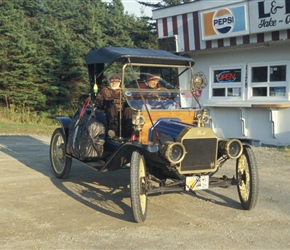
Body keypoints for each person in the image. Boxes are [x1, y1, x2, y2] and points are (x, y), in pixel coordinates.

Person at [98, 73, 124, 138]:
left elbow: (131, 100)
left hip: (123, 110)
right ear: (109, 81)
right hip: (110, 110)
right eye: (112, 79)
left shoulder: (124, 91)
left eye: (116, 79)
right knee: (112, 105)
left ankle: (132, 133)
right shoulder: (104, 90)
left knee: (129, 110)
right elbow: (99, 102)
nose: (114, 81)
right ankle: (113, 130)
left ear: (120, 81)